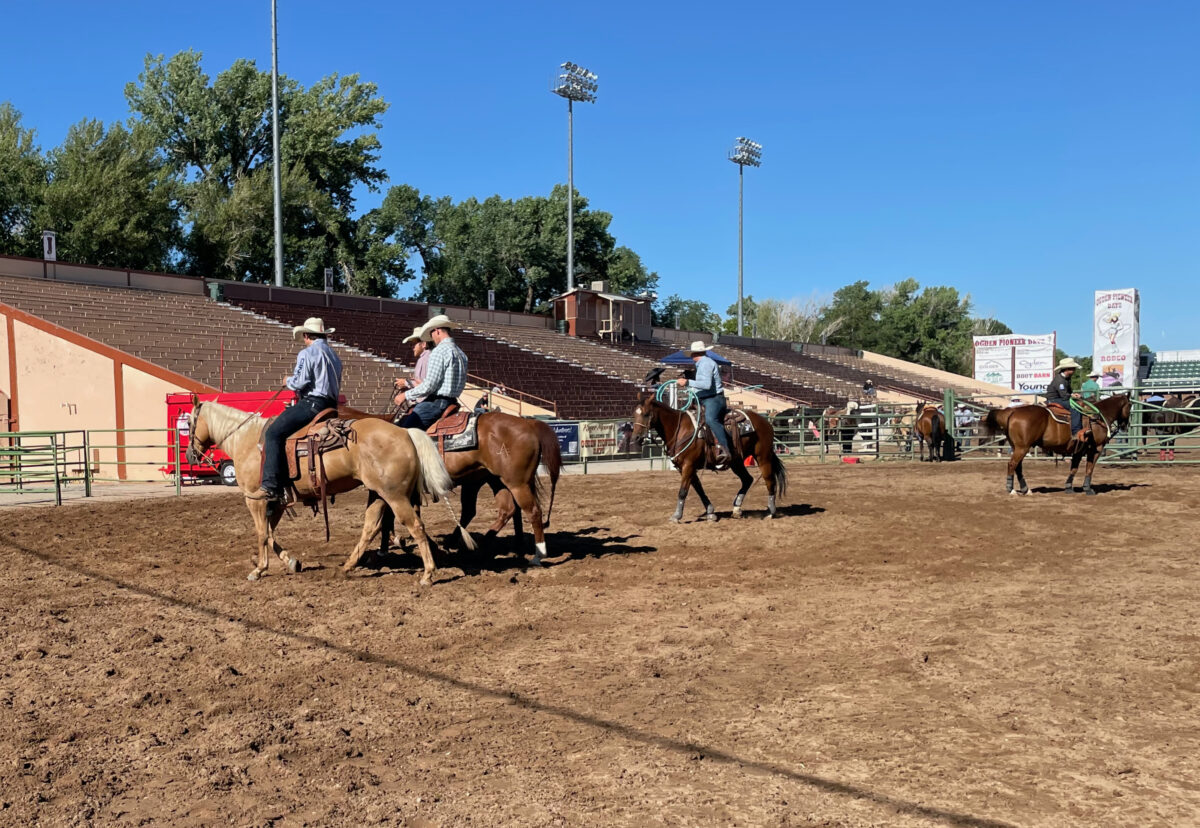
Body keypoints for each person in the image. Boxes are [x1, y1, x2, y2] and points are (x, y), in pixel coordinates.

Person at [249, 317, 342, 501]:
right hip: (331, 405)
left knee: (273, 433)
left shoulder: (307, 353)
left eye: (304, 337)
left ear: (307, 335)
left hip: (312, 403)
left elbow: (299, 382)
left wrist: (287, 381)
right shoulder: (334, 356)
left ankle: (271, 485)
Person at [396, 315, 467, 429]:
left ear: (437, 331)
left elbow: (429, 385)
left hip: (436, 403)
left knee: (403, 433)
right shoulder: (461, 353)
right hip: (452, 401)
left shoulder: (439, 351)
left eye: (431, 334)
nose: (432, 338)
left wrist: (406, 395)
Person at [676, 340, 732, 467]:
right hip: (704, 397)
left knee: (711, 419)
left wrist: (687, 382)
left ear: (694, 354)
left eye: (691, 353)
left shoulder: (706, 363)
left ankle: (724, 448)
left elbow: (706, 385)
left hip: (714, 398)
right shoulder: (702, 364)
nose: (690, 356)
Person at [1045, 357, 1086, 444]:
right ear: (1067, 369)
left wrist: (1073, 394)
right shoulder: (1060, 380)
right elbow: (1064, 396)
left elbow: (1068, 392)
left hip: (1057, 398)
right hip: (1054, 400)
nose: (1074, 370)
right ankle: (1076, 431)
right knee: (1075, 407)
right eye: (1073, 369)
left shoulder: (1065, 378)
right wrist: (1072, 395)